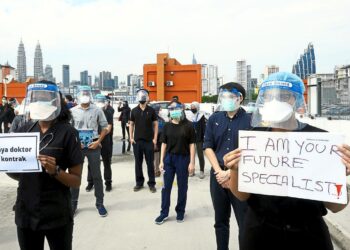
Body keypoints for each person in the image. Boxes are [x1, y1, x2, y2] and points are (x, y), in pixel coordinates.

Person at [224, 72, 350, 250]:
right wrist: (234, 170)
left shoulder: (322, 141)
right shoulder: (252, 140)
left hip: (308, 235)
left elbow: (337, 207)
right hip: (260, 233)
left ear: (296, 100)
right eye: (269, 97)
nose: (275, 101)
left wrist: (339, 175)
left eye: (284, 96)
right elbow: (242, 195)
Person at [14, 80, 83, 250]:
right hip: (26, 211)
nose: (39, 103)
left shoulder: (68, 133)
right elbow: (16, 173)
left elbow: (76, 180)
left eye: (44, 99)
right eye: (36, 99)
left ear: (55, 101)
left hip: (56, 212)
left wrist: (55, 171)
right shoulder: (24, 130)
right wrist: (8, 162)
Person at [203, 82, 250, 250]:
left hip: (241, 177)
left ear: (240, 98)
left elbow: (252, 152)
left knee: (244, 222)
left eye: (230, 96)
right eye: (223, 96)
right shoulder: (214, 119)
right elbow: (207, 146)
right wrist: (219, 172)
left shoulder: (250, 120)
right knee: (220, 221)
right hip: (218, 176)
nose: (226, 99)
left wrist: (230, 173)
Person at [70, 85, 109, 217]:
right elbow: (68, 129)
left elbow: (105, 127)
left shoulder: (97, 110)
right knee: (75, 176)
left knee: (97, 176)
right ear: (79, 95)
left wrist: (98, 141)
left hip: (93, 146)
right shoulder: (73, 111)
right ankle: (73, 203)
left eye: (87, 93)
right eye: (83, 93)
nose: (85, 96)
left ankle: (100, 203)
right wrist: (75, 142)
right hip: (78, 148)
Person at [155, 101, 196, 224]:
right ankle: (164, 213)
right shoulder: (167, 126)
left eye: (176, 108)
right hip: (169, 159)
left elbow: (192, 145)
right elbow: (164, 143)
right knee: (165, 187)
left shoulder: (188, 125)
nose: (173, 111)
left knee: (182, 187)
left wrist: (192, 162)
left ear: (181, 109)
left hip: (183, 159)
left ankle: (180, 212)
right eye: (171, 109)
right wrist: (161, 161)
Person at [129, 89, 158, 193]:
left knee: (150, 163)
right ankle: (139, 183)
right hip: (137, 141)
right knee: (138, 163)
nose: (142, 98)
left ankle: (151, 184)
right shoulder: (134, 110)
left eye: (144, 96)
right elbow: (131, 124)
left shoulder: (151, 110)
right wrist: (131, 137)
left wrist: (155, 139)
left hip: (149, 141)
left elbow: (155, 124)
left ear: (147, 98)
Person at [86, 94, 114, 192]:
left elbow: (108, 128)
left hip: (105, 140)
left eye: (102, 101)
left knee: (106, 162)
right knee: (91, 162)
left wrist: (100, 140)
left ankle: (108, 183)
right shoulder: (92, 112)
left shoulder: (108, 112)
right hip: (93, 139)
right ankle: (90, 182)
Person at [188, 101, 206, 179]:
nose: (192, 109)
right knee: (191, 155)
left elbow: (204, 128)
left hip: (199, 138)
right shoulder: (189, 116)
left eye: (194, 107)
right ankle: (192, 170)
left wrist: (204, 137)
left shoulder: (201, 116)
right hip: (191, 138)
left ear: (197, 107)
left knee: (200, 155)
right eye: (191, 107)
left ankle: (201, 170)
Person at [153, 105, 166, 177]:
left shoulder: (161, 119)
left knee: (158, 156)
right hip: (156, 140)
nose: (161, 111)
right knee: (156, 156)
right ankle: (156, 171)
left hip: (161, 140)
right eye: (160, 110)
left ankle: (157, 170)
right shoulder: (154, 120)